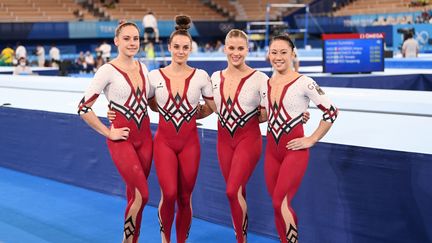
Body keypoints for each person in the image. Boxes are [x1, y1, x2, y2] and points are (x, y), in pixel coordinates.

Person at [77, 20, 153, 243]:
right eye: (127, 38)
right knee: (143, 195)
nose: (132, 43)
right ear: (116, 41)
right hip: (123, 140)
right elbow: (83, 108)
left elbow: (148, 101)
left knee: (134, 196)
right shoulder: (107, 70)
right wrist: (108, 132)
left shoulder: (143, 67)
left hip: (146, 139)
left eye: (136, 38)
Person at [263, 34, 338, 243]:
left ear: (293, 54)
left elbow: (331, 111)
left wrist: (312, 138)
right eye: (274, 52)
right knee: (278, 204)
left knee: (280, 201)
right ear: (268, 54)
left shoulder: (305, 82)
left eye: (283, 52)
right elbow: (265, 114)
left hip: (294, 151)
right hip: (271, 152)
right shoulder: (266, 84)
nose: (278, 57)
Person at [147, 15, 215, 243]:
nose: (180, 51)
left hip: (190, 144)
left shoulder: (201, 77)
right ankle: (165, 240)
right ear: (169, 47)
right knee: (168, 194)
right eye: (176, 47)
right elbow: (148, 102)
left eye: (185, 47)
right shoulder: (154, 76)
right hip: (164, 143)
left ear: (190, 49)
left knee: (185, 198)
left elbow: (213, 106)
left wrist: (192, 114)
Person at [209, 29, 269, 243]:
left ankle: (241, 240)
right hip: (223, 142)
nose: (236, 53)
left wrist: (297, 115)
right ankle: (240, 238)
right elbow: (209, 107)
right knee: (237, 192)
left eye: (240, 48)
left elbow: (267, 113)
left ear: (248, 50)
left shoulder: (260, 78)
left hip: (248, 139)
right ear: (224, 49)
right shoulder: (215, 77)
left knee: (231, 190)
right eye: (232, 48)